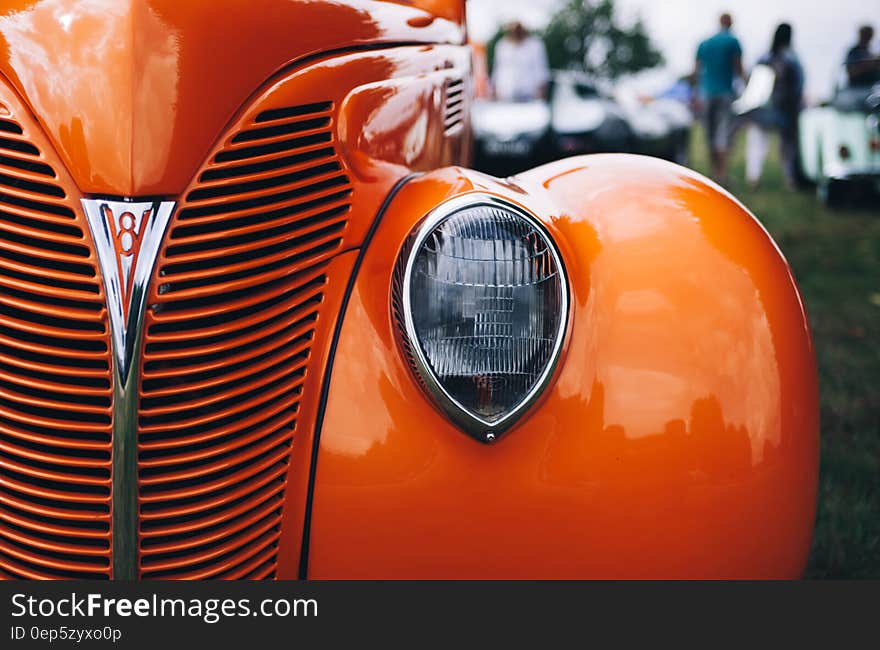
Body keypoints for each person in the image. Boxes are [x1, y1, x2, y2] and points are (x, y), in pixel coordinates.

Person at [744, 23, 804, 189]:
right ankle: (790, 179)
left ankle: (753, 178)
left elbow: (752, 83)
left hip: (761, 108)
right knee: (788, 145)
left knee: (757, 142)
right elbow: (798, 86)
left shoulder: (764, 58)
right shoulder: (793, 59)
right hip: (784, 108)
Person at [694, 13, 744, 183]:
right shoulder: (732, 41)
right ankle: (722, 175)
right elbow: (739, 69)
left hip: (706, 93)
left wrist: (694, 92)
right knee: (722, 135)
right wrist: (747, 87)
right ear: (730, 23)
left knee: (710, 134)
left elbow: (696, 71)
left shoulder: (705, 43)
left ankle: (713, 174)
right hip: (724, 93)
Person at [491, 21, 550, 102]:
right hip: (505, 97)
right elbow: (497, 70)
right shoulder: (501, 46)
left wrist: (540, 96)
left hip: (530, 97)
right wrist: (495, 93)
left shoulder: (535, 45)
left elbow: (541, 71)